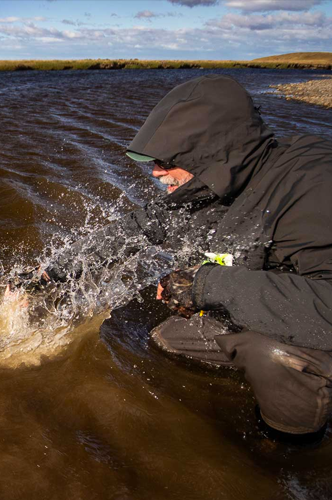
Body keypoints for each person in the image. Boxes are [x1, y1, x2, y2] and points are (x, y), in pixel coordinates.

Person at [54, 74, 332, 441]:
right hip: (278, 303)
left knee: (273, 355)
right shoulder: (212, 184)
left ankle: (291, 444)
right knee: (169, 338)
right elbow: (135, 228)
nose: (156, 171)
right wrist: (50, 275)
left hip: (319, 320)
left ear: (209, 152)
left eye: (167, 160)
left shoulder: (313, 186)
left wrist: (204, 285)